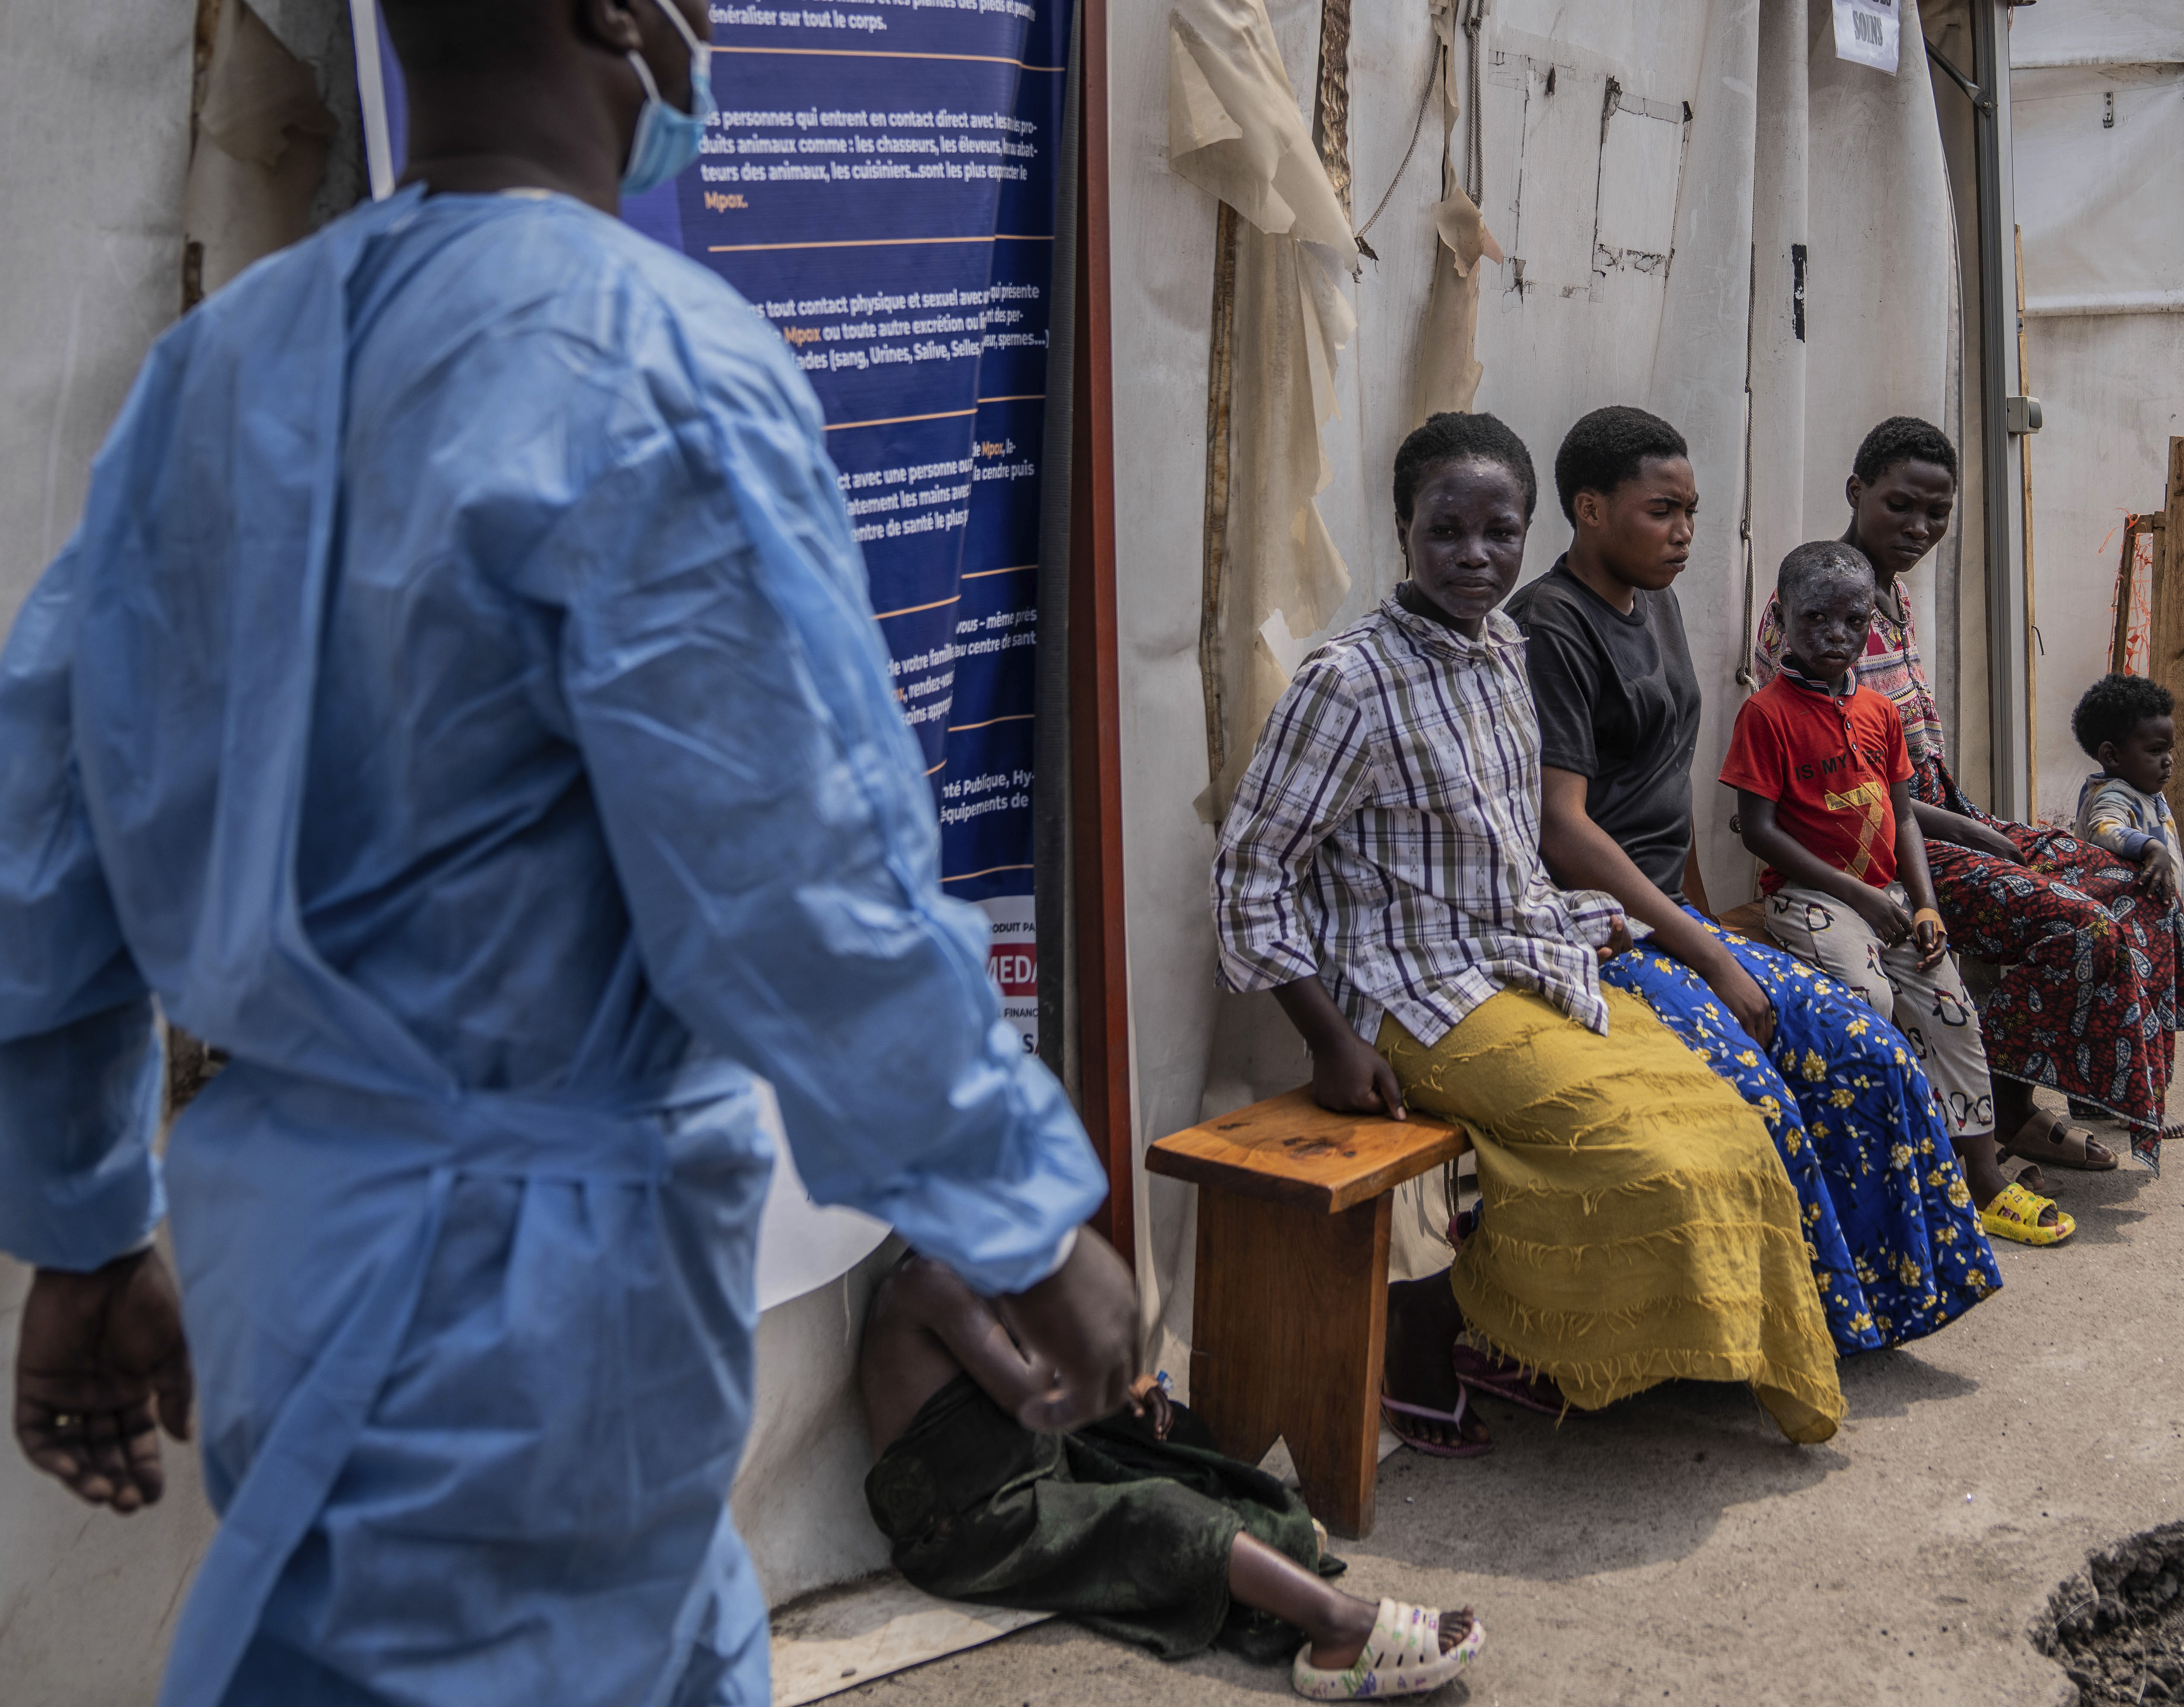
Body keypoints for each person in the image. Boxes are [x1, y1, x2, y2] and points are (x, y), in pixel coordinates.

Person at [0, 0, 1131, 1707]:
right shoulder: (656, 365)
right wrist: (1007, 1205)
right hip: (529, 1301)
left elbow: (41, 834)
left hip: (291, 1240)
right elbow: (796, 868)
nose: (707, 35)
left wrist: (71, 1220)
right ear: (619, 7)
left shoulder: (217, 371)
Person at [1212, 412, 1845, 1458]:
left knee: (1727, 1122)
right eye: (1445, 531)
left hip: (1526, 962)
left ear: (1528, 532)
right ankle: (1459, 1341)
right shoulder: (1348, 680)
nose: (1475, 556)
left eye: (1499, 532)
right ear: (1402, 530)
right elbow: (1249, 874)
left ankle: (1519, 1336)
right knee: (1650, 1162)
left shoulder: (1502, 647)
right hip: (1413, 998)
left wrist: (1594, 926)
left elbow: (1506, 849)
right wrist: (1329, 1039)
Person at [1511, 409, 2017, 1344]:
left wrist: (1705, 917)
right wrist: (1707, 948)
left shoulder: (1651, 601)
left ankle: (1886, 1297)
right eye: (1662, 511)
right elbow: (1560, 828)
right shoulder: (1550, 628)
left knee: (1875, 1059)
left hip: (1672, 919)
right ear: (1587, 509)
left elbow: (1665, 788)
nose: (1685, 535)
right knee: (1801, 1078)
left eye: (1692, 512)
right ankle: (1797, 1325)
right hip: (1600, 932)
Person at [1761, 417, 2184, 1174]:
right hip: (1889, 839)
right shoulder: (1818, 612)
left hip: (1941, 810)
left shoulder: (1889, 598)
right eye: (1900, 506)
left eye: (1938, 514)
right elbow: (1853, 784)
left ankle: (2104, 1092)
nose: (1920, 528)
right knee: (2082, 921)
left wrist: (1976, 824)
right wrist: (1971, 833)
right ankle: (2009, 1108)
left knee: (2133, 884)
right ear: (1856, 492)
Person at [858, 1254, 1483, 1701]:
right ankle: (1340, 1625)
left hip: (1034, 1465)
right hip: (972, 1527)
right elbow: (1031, 1389)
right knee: (1155, 1511)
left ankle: (1258, 1564)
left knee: (1178, 1439)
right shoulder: (930, 1280)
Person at [1721, 539, 2074, 1249]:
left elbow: (1903, 815)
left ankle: (1981, 1180)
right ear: (1782, 621)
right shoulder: (1767, 713)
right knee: (1872, 1001)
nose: (1834, 636)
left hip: (1887, 895)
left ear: (1872, 623)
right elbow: (1756, 830)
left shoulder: (1881, 712)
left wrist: (1924, 905)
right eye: (1814, 619)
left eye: (1853, 621)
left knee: (1951, 1010)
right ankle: (1895, 1168)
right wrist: (1859, 893)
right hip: (1809, 896)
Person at [2070, 674, 2184, 918]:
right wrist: (2152, 848)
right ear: (2111, 756)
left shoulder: (2140, 790)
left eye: (2169, 749)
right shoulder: (2113, 796)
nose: (2168, 760)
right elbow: (2104, 828)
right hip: (2130, 922)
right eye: (2156, 750)